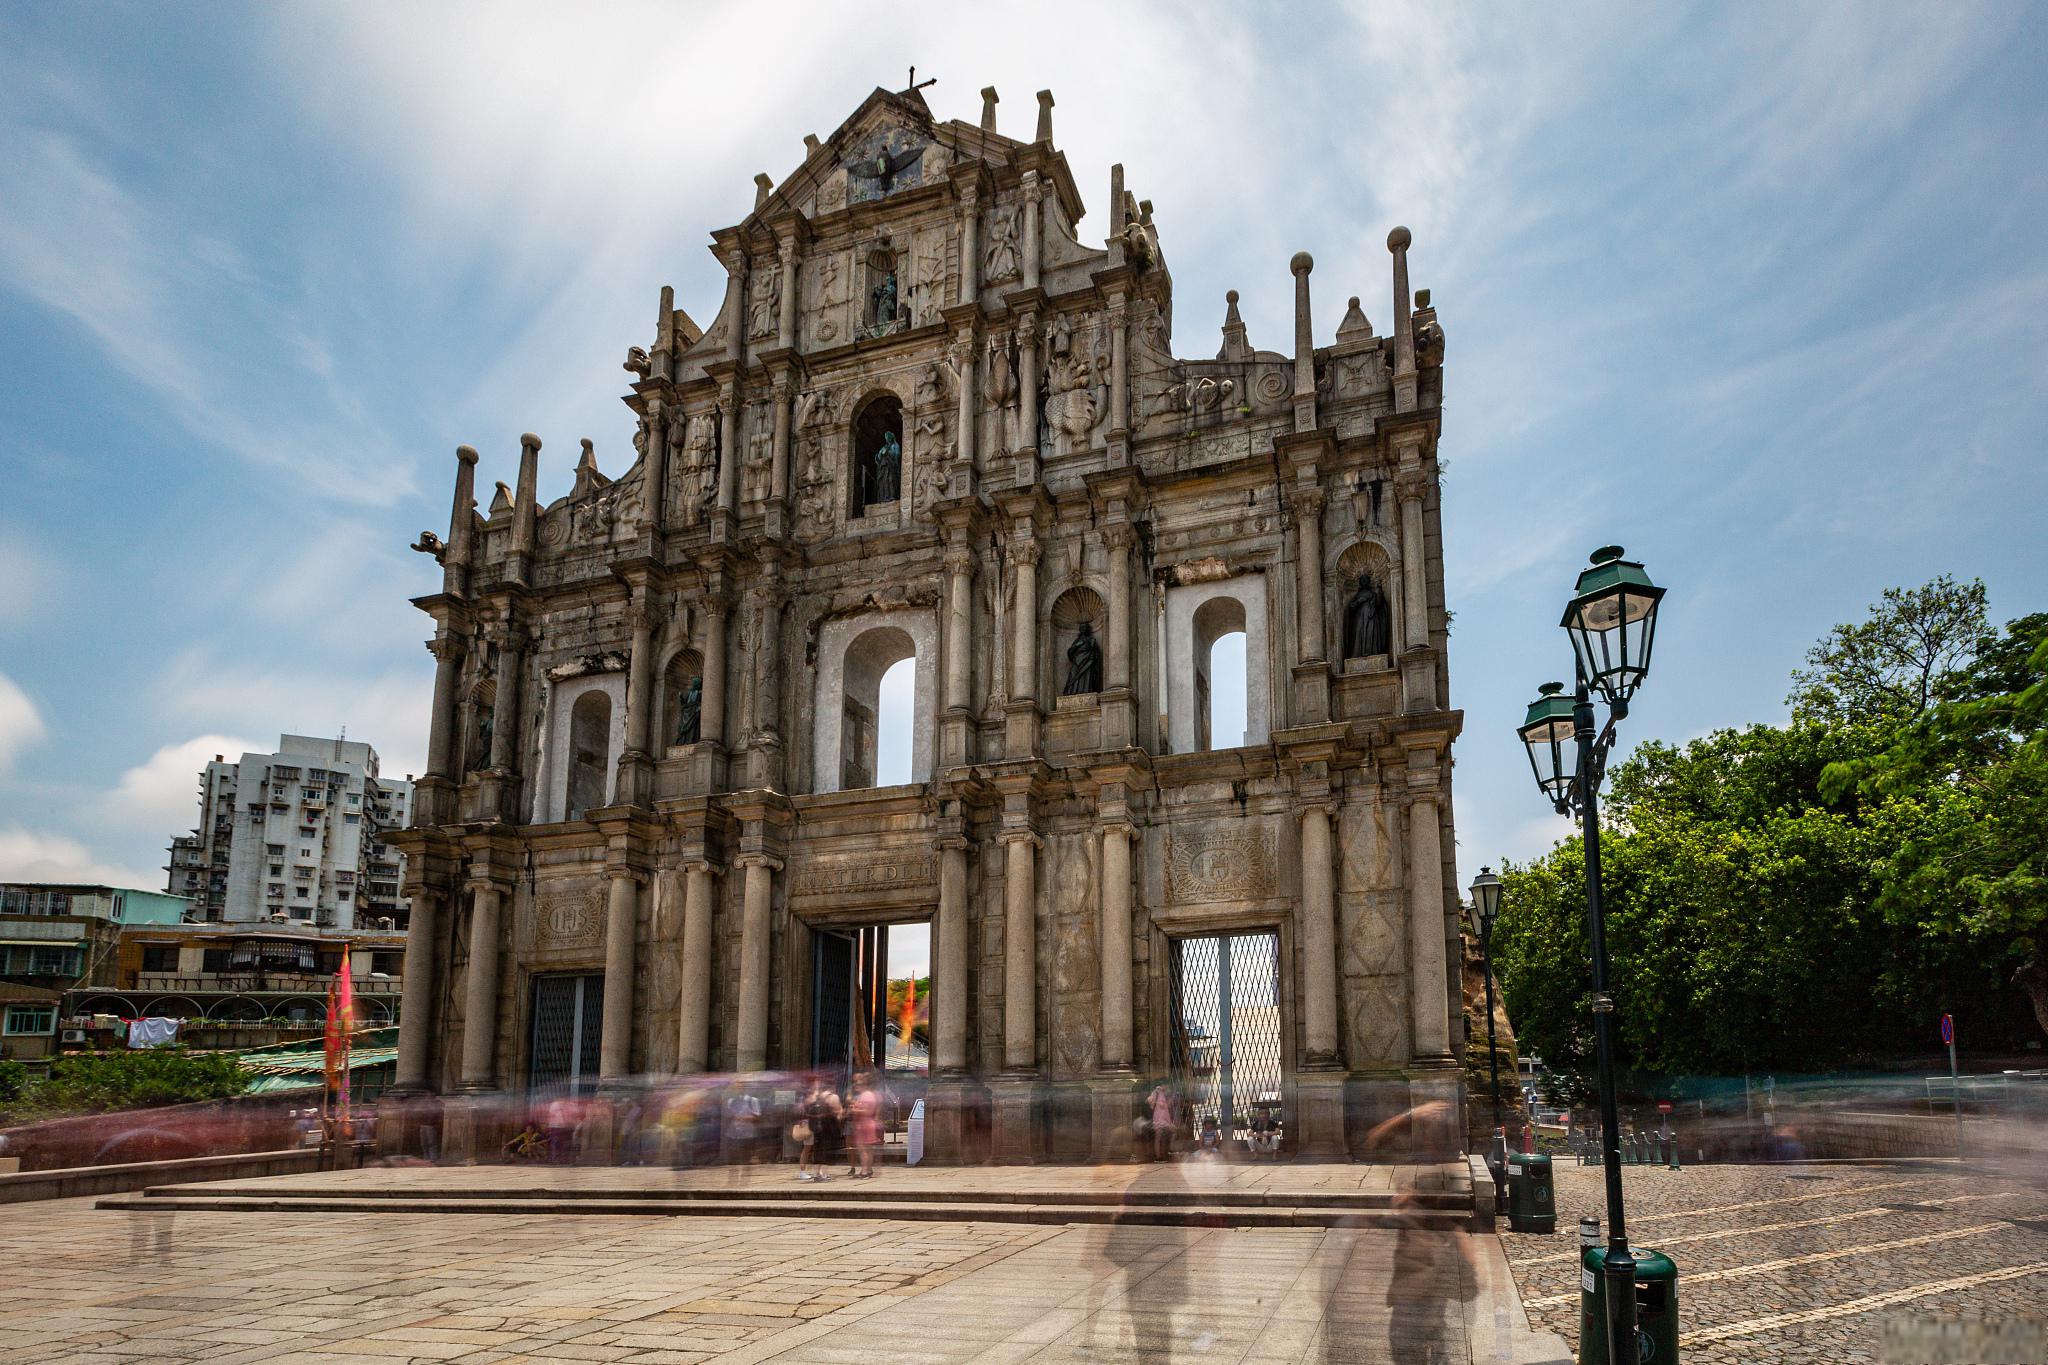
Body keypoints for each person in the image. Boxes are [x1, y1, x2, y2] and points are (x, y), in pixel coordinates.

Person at [848, 1073, 881, 1179]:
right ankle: (869, 1169)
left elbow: (866, 1111)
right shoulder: (868, 1095)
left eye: (858, 1085)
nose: (856, 1086)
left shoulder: (866, 1096)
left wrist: (854, 1109)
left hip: (864, 1124)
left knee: (863, 1149)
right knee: (868, 1149)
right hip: (866, 1123)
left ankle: (864, 1171)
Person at [1147, 1083, 1177, 1162]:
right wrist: (1157, 1103)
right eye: (1166, 1085)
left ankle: (1165, 1153)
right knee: (1158, 1137)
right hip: (1159, 1118)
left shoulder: (1163, 1094)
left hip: (1165, 1119)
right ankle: (1158, 1157)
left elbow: (1166, 1106)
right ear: (1163, 1085)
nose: (1167, 1087)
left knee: (1170, 1133)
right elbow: (1149, 1100)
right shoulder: (1156, 1092)